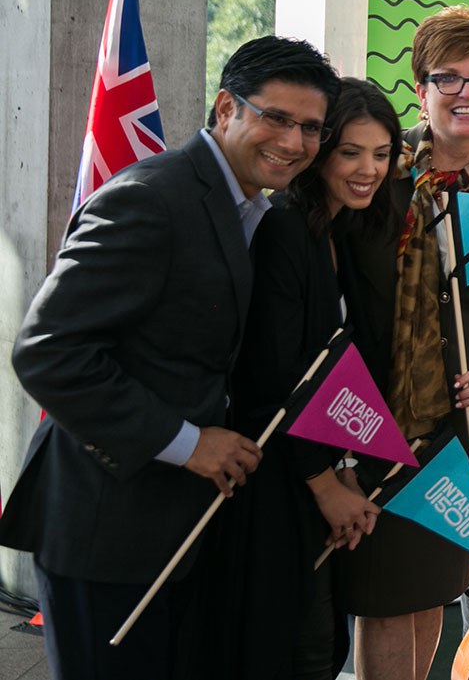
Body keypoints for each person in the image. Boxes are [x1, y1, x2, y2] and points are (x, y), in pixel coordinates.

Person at [0, 36, 340, 680]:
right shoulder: (153, 198)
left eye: (311, 128)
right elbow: (48, 352)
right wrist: (187, 443)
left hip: (180, 534)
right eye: (275, 118)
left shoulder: (249, 210)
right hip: (107, 531)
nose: (294, 143)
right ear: (225, 109)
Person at [340, 7, 469, 680]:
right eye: (449, 78)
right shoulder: (376, 169)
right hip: (376, 411)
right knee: (382, 593)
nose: (468, 93)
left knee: (433, 582)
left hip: (462, 420)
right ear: (420, 85)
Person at [221, 78, 396, 680]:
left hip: (316, 478)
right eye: (351, 152)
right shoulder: (285, 230)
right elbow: (274, 381)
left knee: (321, 650)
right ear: (320, 153)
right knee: (293, 650)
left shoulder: (338, 232)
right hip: (275, 483)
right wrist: (325, 484)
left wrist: (345, 467)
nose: (368, 169)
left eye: (381, 154)